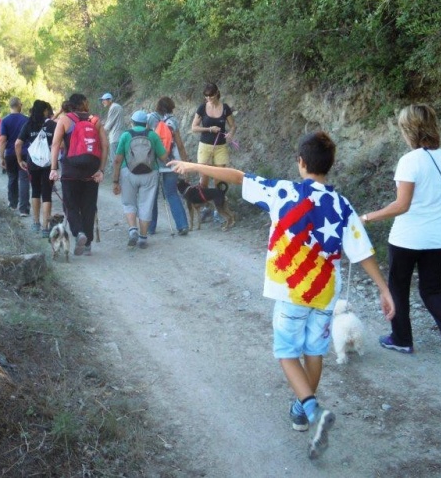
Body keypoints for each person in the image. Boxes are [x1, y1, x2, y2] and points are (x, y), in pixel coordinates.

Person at [169, 131, 395, 460]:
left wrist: (191, 164)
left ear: (301, 163)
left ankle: (313, 411)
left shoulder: (283, 191)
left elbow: (237, 176)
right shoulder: (342, 204)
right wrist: (383, 288)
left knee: (286, 351)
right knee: (314, 351)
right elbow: (362, 252)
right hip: (324, 292)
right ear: (330, 166)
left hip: (291, 290)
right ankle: (302, 413)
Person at [360, 104, 441, 370]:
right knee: (433, 289)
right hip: (438, 238)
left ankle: (401, 339)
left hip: (407, 238)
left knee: (398, 286)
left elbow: (402, 206)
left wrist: (366, 217)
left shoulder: (409, 161)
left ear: (409, 129)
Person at [49, 93, 109, 256]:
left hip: (71, 169)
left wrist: (54, 168)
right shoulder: (95, 121)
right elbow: (105, 145)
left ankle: (79, 233)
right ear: (83, 103)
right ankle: (88, 244)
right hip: (91, 169)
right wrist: (101, 169)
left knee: (70, 204)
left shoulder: (65, 120)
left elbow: (55, 144)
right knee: (89, 205)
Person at [112, 110, 168, 249]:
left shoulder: (125, 135)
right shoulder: (153, 135)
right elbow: (163, 157)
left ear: (132, 122)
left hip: (128, 173)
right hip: (150, 173)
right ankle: (143, 237)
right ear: (147, 123)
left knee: (129, 203)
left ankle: (132, 230)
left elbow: (118, 160)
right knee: (146, 205)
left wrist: (115, 181)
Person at [190, 83, 236, 223]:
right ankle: (205, 207)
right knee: (203, 179)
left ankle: (219, 209)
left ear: (217, 93)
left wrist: (230, 134)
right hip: (205, 146)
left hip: (221, 146)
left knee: (219, 179)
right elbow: (194, 128)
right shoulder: (202, 108)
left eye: (211, 95)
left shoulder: (225, 108)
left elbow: (233, 125)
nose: (208, 98)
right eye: (206, 95)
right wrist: (209, 129)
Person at [147, 97, 190, 236]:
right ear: (171, 107)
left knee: (152, 195)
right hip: (172, 162)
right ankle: (182, 225)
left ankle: (150, 227)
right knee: (171, 193)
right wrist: (186, 164)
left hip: (154, 162)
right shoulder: (173, 121)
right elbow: (180, 145)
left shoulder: (150, 119)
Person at [16, 100, 56, 237]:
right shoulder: (52, 125)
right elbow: (60, 145)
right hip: (48, 164)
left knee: (35, 191)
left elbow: (18, 144)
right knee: (47, 194)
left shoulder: (28, 124)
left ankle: (35, 223)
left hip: (32, 163)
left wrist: (20, 160)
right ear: (45, 111)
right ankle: (46, 227)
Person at [0, 97, 30, 216]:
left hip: (11, 153)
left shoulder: (5, 121)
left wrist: (2, 157)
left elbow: (2, 140)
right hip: (25, 153)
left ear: (10, 106)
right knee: (24, 179)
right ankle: (24, 209)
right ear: (19, 105)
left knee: (12, 178)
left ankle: (12, 204)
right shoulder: (26, 120)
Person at [101, 93, 124, 175]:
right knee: (121, 161)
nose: (103, 101)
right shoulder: (117, 106)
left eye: (104, 100)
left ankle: (117, 181)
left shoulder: (113, 107)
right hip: (120, 136)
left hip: (115, 138)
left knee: (115, 161)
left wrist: (100, 131)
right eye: (102, 100)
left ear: (110, 100)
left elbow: (108, 125)